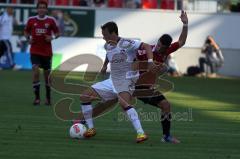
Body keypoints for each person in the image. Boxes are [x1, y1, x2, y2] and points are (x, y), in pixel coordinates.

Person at [79, 10, 188, 144]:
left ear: (166, 48)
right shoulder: (143, 50)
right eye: (158, 44)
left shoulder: (165, 52)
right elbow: (113, 53)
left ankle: (165, 136)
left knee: (165, 105)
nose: (158, 48)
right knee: (111, 101)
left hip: (142, 86)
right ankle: (86, 121)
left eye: (161, 47)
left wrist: (185, 24)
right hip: (133, 83)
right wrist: (105, 65)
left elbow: (181, 41)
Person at [79, 21, 154, 143]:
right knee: (85, 96)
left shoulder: (126, 43)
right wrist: (104, 66)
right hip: (112, 80)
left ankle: (141, 133)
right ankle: (91, 129)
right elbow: (109, 55)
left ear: (113, 33)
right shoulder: (108, 45)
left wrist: (150, 62)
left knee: (123, 103)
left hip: (126, 80)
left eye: (105, 34)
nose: (103, 37)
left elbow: (146, 46)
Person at [24, 1, 60, 106]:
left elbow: (58, 33)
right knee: (35, 71)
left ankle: (48, 98)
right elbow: (26, 31)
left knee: (47, 76)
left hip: (47, 52)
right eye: (40, 7)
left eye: (44, 7)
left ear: (46, 9)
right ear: (37, 9)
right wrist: (28, 38)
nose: (42, 9)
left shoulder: (51, 20)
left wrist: (52, 37)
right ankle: (37, 98)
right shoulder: (31, 20)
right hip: (35, 51)